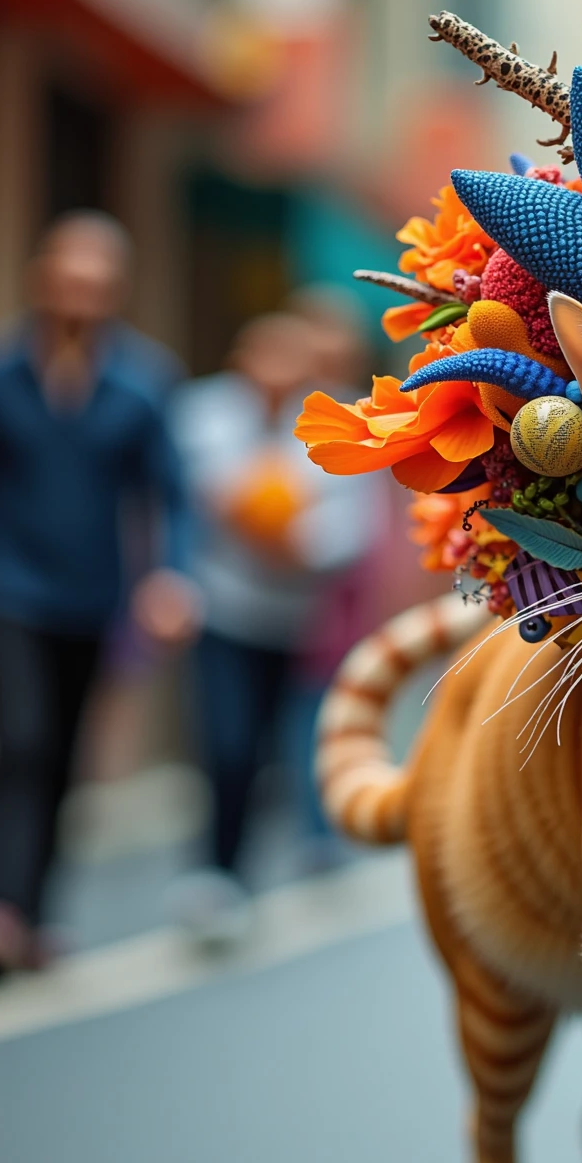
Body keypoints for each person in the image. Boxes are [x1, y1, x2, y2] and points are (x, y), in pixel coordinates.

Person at [0, 212, 196, 974]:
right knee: (24, 739)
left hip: (89, 597)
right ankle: (6, 907)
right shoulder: (6, 374)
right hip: (9, 589)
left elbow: (170, 495)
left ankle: (35, 911)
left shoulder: (142, 385)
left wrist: (169, 575)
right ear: (43, 280)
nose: (82, 293)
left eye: (98, 281)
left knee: (61, 756)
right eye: (70, 277)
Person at [169, 312, 376, 934]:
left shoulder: (327, 427)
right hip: (221, 610)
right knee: (226, 744)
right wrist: (258, 514)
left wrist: (279, 530)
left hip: (292, 619)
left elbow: (342, 535)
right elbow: (192, 498)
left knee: (270, 747)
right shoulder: (202, 414)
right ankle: (217, 872)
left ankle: (253, 864)